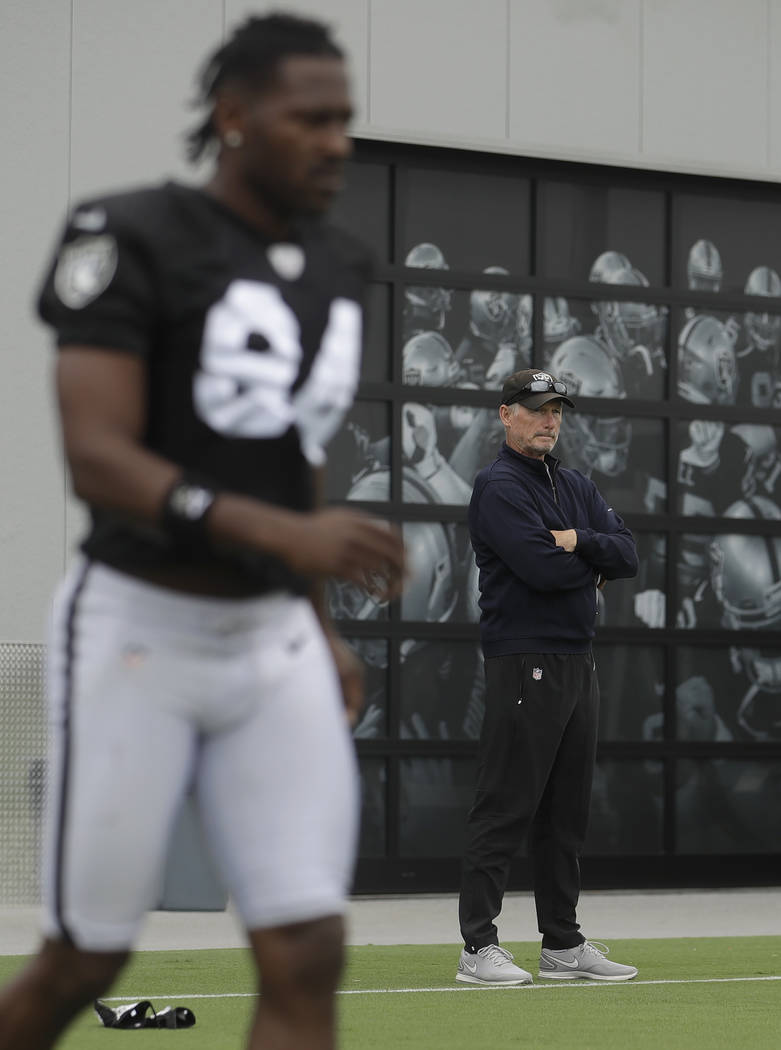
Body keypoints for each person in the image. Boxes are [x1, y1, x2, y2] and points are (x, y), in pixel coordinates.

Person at [0, 14, 406, 1050]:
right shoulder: (129, 232)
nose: (336, 141)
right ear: (234, 117)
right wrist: (286, 533)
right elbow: (98, 455)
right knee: (86, 960)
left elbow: (294, 457)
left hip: (269, 639)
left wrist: (315, 624)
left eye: (345, 119)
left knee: (307, 948)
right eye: (309, 119)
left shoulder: (337, 264)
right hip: (141, 627)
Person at [455, 368, 639, 986]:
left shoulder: (576, 484)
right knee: (506, 805)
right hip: (522, 657)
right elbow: (540, 569)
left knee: (566, 813)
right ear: (506, 415)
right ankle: (477, 948)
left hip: (575, 659)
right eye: (536, 409)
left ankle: (562, 946)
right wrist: (590, 563)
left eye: (556, 409)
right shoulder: (497, 485)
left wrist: (579, 540)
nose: (549, 420)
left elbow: (629, 552)